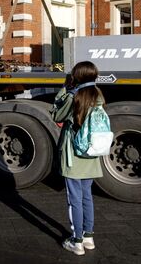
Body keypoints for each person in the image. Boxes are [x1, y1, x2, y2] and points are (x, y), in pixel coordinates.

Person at [50, 61, 104, 256]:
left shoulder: (73, 96)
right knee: (87, 196)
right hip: (90, 152)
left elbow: (55, 113)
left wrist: (64, 88)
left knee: (74, 200)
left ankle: (76, 241)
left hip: (73, 154)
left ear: (76, 76)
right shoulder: (98, 94)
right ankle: (89, 237)